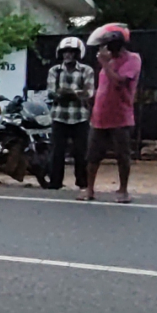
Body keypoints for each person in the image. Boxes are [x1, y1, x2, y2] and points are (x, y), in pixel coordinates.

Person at [83, 24, 141, 203]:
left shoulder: (132, 59)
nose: (105, 49)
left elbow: (119, 82)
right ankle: (89, 189)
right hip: (100, 116)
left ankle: (122, 190)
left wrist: (106, 64)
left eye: (108, 45)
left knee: (122, 155)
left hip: (120, 116)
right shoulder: (108, 61)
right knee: (93, 155)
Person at [46, 37, 95, 193]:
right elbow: (52, 93)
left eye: (72, 52)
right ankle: (55, 182)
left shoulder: (86, 70)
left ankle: (83, 183)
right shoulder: (55, 70)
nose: (68, 55)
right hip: (59, 116)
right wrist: (75, 94)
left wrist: (66, 93)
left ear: (78, 54)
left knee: (81, 152)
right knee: (57, 152)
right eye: (65, 52)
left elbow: (88, 93)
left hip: (79, 117)